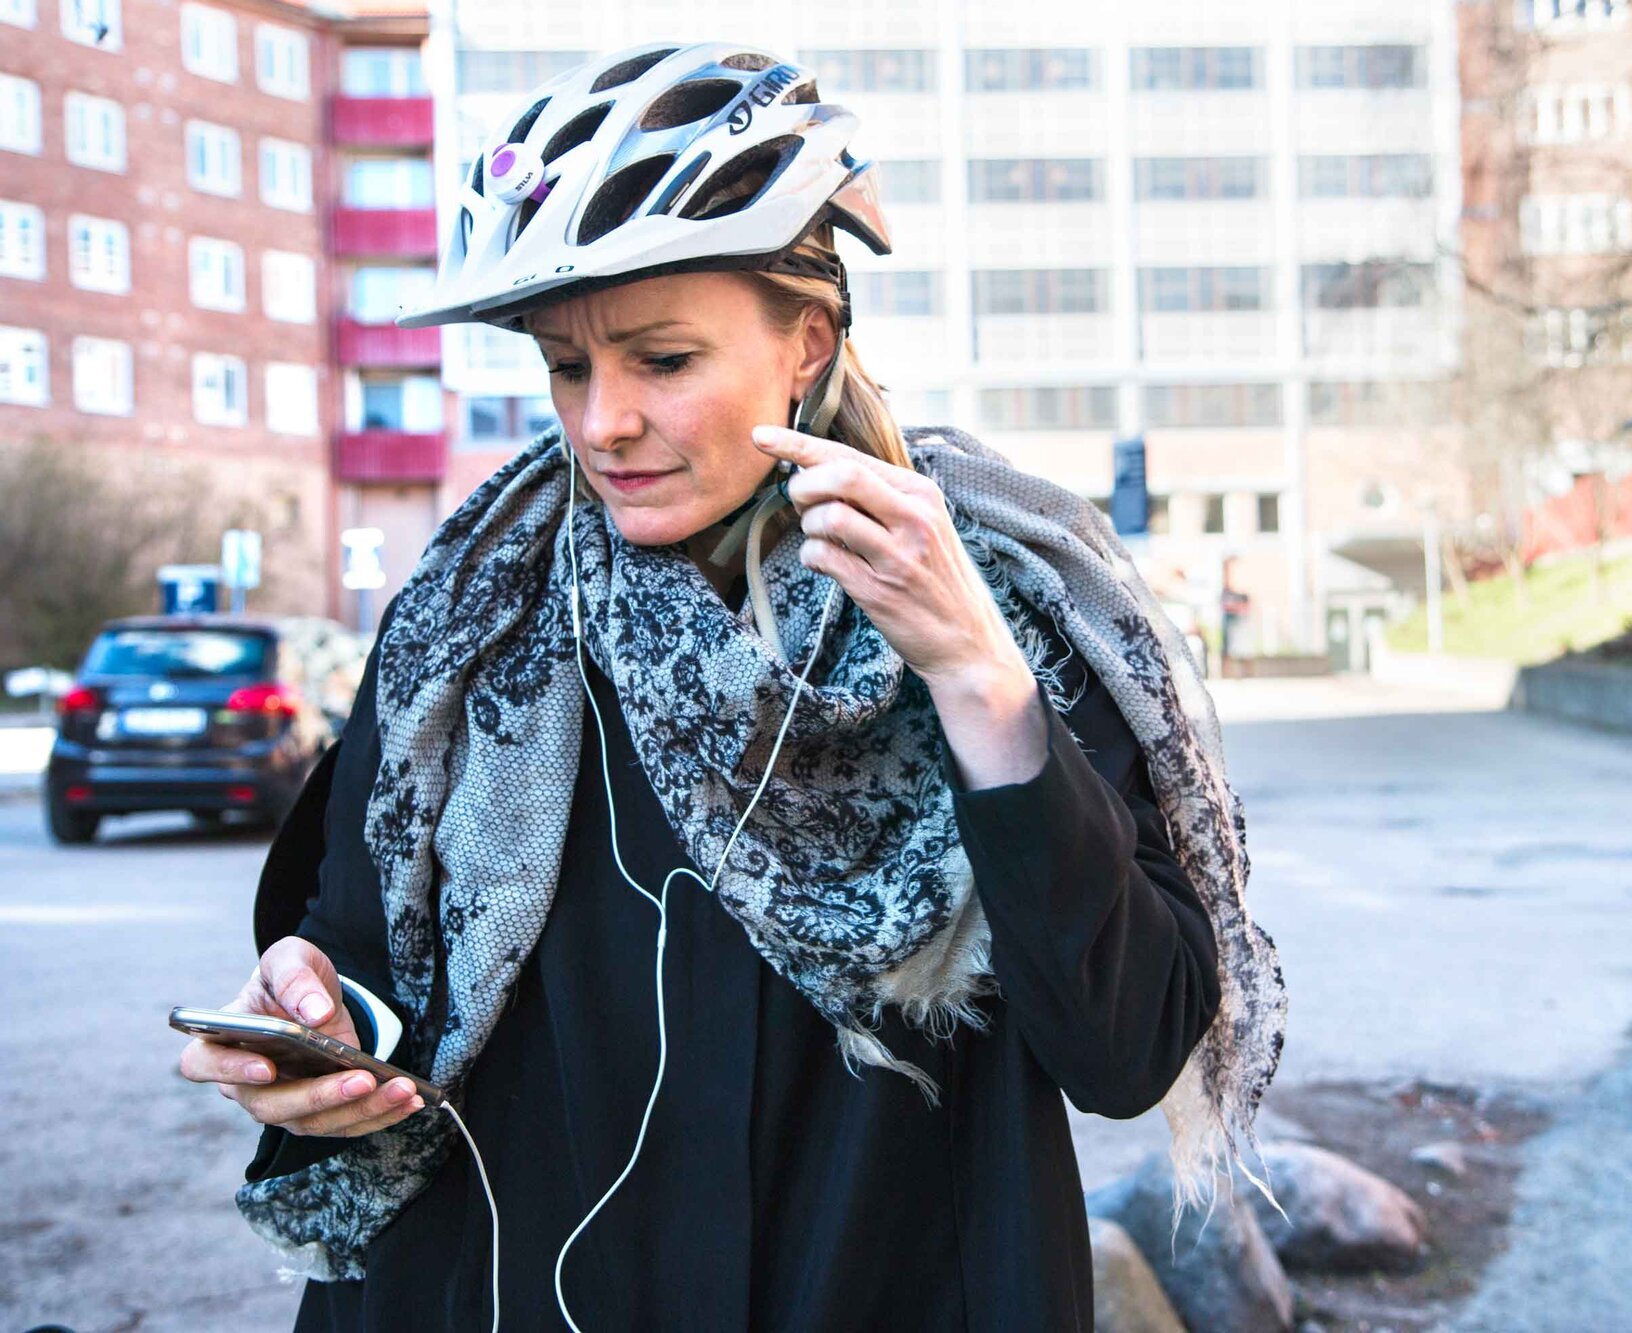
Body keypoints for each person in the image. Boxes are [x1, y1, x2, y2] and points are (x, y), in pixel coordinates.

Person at [176, 41, 1286, 1332]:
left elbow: (1128, 1046)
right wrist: (311, 1021)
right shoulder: (468, 623)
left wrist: (984, 688)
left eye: (661, 359)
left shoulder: (998, 599)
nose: (601, 424)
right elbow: (361, 959)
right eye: (567, 366)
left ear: (805, 344)